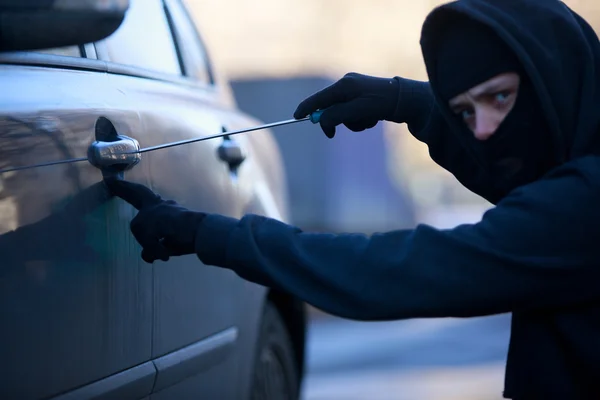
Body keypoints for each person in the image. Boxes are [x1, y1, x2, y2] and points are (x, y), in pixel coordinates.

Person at [105, 0, 600, 398]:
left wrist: (210, 233)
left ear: (555, 77)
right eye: (465, 114)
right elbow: (522, 175)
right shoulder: (576, 170)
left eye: (500, 97)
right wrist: (405, 102)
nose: (485, 131)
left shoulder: (583, 205)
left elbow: (410, 270)